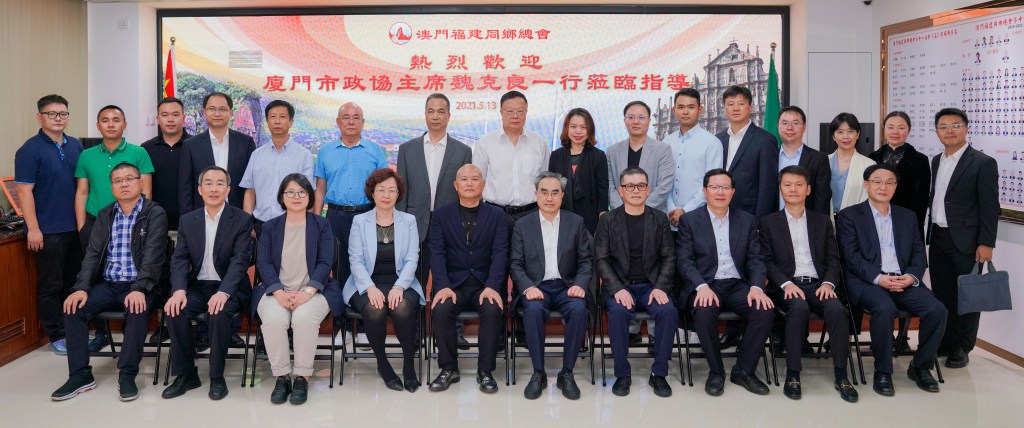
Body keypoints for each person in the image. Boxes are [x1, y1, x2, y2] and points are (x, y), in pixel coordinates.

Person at [51, 162, 168, 402]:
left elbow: (154, 256)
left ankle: (127, 374)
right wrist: (80, 288)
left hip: (143, 285)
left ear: (141, 183)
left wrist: (139, 288)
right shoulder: (105, 214)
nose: (124, 184)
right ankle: (80, 375)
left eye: (129, 179)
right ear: (112, 186)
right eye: (118, 181)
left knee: (137, 307)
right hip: (109, 284)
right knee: (74, 307)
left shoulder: (155, 213)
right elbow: (92, 255)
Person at [837, 164, 946, 396]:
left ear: (896, 187)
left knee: (937, 310)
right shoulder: (849, 216)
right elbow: (851, 257)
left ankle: (921, 366)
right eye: (877, 181)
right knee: (884, 308)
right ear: (866, 185)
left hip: (903, 280)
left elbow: (918, 254)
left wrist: (911, 277)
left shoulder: (907, 216)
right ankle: (883, 371)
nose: (883, 187)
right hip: (868, 281)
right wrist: (879, 278)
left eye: (889, 182)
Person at [759, 166, 856, 402]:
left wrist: (829, 284)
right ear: (780, 189)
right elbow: (766, 260)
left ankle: (842, 374)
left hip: (818, 285)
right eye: (787, 185)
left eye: (799, 184)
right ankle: (793, 374)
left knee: (837, 310)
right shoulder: (769, 222)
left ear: (808, 189)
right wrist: (785, 284)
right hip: (787, 286)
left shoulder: (822, 221)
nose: (793, 189)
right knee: (798, 308)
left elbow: (833, 259)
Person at [676, 168, 773, 397]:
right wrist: (701, 286)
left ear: (733, 192)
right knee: (704, 310)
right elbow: (685, 260)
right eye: (715, 187)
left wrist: (757, 287)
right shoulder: (690, 220)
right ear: (705, 191)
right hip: (706, 284)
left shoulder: (746, 220)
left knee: (764, 310)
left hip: (738, 284)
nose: (720, 192)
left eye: (725, 187)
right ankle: (716, 371)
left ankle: (744, 370)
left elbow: (756, 258)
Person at [161, 166, 253, 400]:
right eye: (208, 183)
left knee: (218, 312)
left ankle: (216, 375)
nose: (214, 189)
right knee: (175, 310)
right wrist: (178, 291)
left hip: (230, 288)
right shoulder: (188, 220)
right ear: (200, 189)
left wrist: (224, 292)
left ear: (228, 189)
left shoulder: (241, 220)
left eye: (220, 183)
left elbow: (240, 261)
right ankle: (186, 374)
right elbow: (180, 259)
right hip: (198, 286)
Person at [254, 173, 342, 405]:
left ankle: (302, 376)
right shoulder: (270, 227)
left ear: (310, 196)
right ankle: (282, 377)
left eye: (302, 192)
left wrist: (307, 292)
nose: (296, 196)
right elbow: (264, 263)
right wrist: (279, 292)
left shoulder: (321, 224)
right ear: (282, 197)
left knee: (303, 319)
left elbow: (325, 262)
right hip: (276, 291)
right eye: (290, 192)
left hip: (315, 291)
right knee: (273, 319)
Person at [595, 167, 677, 398]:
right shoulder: (608, 220)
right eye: (629, 186)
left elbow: (669, 257)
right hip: (620, 286)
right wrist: (617, 289)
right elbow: (601, 259)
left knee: (668, 311)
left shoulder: (659, 219)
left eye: (641, 185)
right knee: (618, 312)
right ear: (620, 191)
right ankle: (622, 374)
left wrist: (660, 287)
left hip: (651, 286)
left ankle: (659, 374)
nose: (635, 190)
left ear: (648, 190)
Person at [510, 171, 593, 400]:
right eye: (544, 192)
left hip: (568, 286)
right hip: (537, 287)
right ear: (536, 194)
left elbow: (586, 260)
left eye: (555, 192)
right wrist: (528, 287)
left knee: (579, 310)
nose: (549, 198)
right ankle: (538, 372)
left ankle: (567, 372)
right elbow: (515, 263)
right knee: (533, 310)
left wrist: (580, 284)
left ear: (562, 195)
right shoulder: (522, 225)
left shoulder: (575, 222)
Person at [928, 107, 999, 369]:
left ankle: (962, 346)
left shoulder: (982, 162)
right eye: (943, 127)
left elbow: (990, 207)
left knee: (967, 295)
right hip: (938, 237)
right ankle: (946, 341)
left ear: (966, 128)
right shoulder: (936, 161)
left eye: (955, 125)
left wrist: (986, 243)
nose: (949, 131)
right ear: (937, 131)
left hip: (967, 241)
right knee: (942, 293)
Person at [427, 164, 508, 393]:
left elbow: (500, 253)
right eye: (464, 179)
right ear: (456, 185)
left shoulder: (497, 216)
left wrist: (493, 286)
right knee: (441, 309)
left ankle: (485, 371)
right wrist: (442, 286)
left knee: (492, 309)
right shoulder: (441, 215)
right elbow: (437, 253)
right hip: (453, 285)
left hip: (484, 285)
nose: (469, 183)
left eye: (475, 179)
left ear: (483, 184)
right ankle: (448, 368)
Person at [312, 102, 388, 347]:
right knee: (338, 271)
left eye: (356, 117)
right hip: (336, 216)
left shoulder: (375, 150)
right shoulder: (326, 151)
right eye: (346, 117)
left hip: (368, 215)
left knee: (368, 269)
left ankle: (365, 325)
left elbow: (384, 188)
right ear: (338, 122)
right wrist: (316, 221)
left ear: (363, 123)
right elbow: (320, 189)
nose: (351, 121)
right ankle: (342, 327)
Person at [14, 94, 85, 355]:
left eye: (63, 114)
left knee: (74, 283)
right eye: (52, 114)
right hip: (48, 231)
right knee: (51, 285)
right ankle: (56, 335)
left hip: (75, 228)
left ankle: (74, 331)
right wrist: (33, 228)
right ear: (39, 117)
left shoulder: (75, 145)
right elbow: (24, 192)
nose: (58, 118)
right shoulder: (29, 150)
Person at [343, 169, 425, 393]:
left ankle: (409, 365)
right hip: (366, 282)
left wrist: (400, 286)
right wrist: (369, 288)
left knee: (402, 308)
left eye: (392, 190)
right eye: (381, 190)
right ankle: (383, 364)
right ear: (372, 193)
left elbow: (412, 258)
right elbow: (355, 260)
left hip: (401, 281)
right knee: (375, 310)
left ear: (399, 194)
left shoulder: (408, 221)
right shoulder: (360, 221)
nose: (386, 195)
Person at [396, 93, 473, 292]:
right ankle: (416, 313)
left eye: (441, 111)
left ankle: (443, 312)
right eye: (431, 111)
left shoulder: (463, 151)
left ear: (448, 115)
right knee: (414, 280)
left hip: (450, 223)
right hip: (415, 223)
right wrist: (401, 224)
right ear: (425, 115)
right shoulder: (407, 149)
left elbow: (466, 192)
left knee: (446, 279)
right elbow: (402, 191)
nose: (435, 116)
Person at [75, 105, 154, 252]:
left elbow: (146, 192)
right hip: (94, 223)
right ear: (98, 126)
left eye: (116, 120)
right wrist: (82, 228)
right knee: (93, 265)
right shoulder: (86, 155)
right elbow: (82, 192)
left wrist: (140, 223)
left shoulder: (139, 153)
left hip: (129, 222)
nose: (111, 125)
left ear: (125, 124)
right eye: (105, 121)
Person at [473, 90, 550, 227]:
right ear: (501, 112)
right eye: (509, 111)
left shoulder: (539, 143)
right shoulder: (485, 143)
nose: (515, 116)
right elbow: (477, 181)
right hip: (495, 213)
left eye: (520, 111)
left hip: (531, 214)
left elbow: (545, 181)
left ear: (526, 112)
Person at [240, 100, 314, 237]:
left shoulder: (304, 155)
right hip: (260, 226)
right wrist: (247, 225)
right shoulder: (257, 155)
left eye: (282, 117)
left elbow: (308, 195)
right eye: (273, 117)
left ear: (291, 122)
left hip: (293, 226)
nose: (277, 121)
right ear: (267, 122)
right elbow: (250, 191)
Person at [179, 92, 256, 213]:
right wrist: (189, 220)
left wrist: (248, 218)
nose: (217, 114)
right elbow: (185, 188)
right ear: (204, 112)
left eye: (222, 109)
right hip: (202, 215)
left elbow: (251, 184)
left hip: (238, 214)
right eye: (212, 109)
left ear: (231, 112)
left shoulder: (245, 143)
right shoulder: (191, 145)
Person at [663, 88, 724, 228]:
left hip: (699, 220)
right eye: (680, 107)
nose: (685, 112)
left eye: (691, 107)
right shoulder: (666, 142)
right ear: (674, 110)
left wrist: (685, 211)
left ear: (700, 110)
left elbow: (712, 183)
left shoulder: (712, 143)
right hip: (668, 219)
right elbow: (662, 180)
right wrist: (671, 209)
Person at [715, 85, 778, 218]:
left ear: (750, 107)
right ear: (724, 108)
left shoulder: (765, 140)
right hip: (719, 212)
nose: (735, 108)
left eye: (741, 104)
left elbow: (768, 185)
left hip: (749, 214)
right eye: (730, 104)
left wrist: (760, 221)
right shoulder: (717, 140)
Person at [547, 107, 609, 234]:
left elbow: (602, 190)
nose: (578, 131)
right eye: (573, 126)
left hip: (590, 218)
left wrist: (602, 217)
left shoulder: (598, 155)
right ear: (567, 128)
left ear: (590, 129)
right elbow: (551, 188)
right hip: (561, 216)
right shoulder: (556, 156)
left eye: (583, 127)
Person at [869, 111, 931, 236]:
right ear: (884, 129)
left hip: (906, 223)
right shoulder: (872, 158)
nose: (895, 132)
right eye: (890, 127)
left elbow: (922, 200)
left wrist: (913, 227)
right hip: (875, 222)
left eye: (901, 128)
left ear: (909, 130)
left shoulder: (920, 160)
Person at [606, 101, 675, 214]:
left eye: (641, 117)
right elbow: (610, 186)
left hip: (652, 216)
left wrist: (639, 211)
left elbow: (664, 187)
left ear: (649, 120)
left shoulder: (663, 150)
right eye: (631, 117)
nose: (636, 122)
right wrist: (622, 211)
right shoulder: (612, 151)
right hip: (620, 216)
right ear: (624, 120)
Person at [142, 97, 192, 234]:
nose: (170, 119)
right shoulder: (146, 148)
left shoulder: (196, 146)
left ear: (184, 118)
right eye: (165, 115)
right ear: (158, 119)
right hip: (156, 222)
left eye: (175, 115)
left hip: (190, 221)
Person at [777, 106, 832, 215]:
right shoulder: (769, 157)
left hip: (807, 222)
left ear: (804, 127)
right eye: (784, 123)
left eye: (795, 123)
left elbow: (822, 199)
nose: (789, 127)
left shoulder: (819, 159)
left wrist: (819, 224)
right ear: (778, 126)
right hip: (773, 221)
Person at [828, 112, 875, 214]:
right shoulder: (824, 161)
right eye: (840, 132)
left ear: (858, 134)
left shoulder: (869, 165)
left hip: (855, 219)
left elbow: (869, 199)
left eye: (850, 131)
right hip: (826, 219)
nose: (846, 136)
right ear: (833, 136)